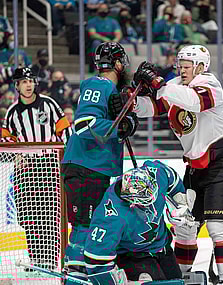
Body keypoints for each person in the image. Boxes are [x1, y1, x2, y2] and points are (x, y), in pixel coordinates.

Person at [131, 45, 223, 285]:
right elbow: (150, 108)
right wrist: (132, 95)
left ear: (200, 67)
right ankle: (179, 277)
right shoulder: (177, 87)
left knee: (218, 226)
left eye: (186, 66)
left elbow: (194, 102)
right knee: (185, 226)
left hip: (220, 164)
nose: (181, 70)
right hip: (194, 167)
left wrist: (159, 84)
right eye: (179, 66)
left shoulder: (210, 84)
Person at [61, 42, 138, 282]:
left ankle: (83, 273)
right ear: (117, 64)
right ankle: (75, 276)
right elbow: (84, 124)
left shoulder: (112, 90)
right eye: (122, 62)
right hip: (86, 167)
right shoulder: (98, 84)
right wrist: (119, 126)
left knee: (92, 223)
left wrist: (127, 121)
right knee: (84, 225)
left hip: (96, 168)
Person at [1, 67, 72, 269]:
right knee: (28, 216)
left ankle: (51, 258)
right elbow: (6, 139)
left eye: (31, 80)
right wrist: (16, 156)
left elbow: (65, 131)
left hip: (49, 165)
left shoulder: (49, 104)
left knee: (50, 213)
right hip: (27, 169)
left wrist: (63, 159)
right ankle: (37, 259)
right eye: (24, 81)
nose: (29, 84)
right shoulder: (12, 112)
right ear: (17, 86)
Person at [81, 160, 192, 284]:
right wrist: (113, 279)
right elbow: (95, 257)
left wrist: (180, 203)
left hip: (163, 246)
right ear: (131, 201)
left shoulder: (156, 173)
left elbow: (171, 177)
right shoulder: (111, 216)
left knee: (177, 282)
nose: (152, 207)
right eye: (145, 203)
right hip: (134, 255)